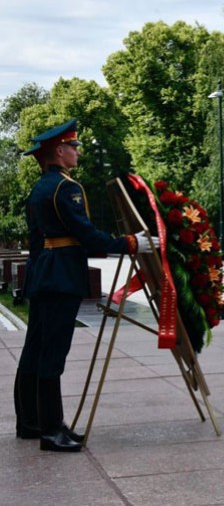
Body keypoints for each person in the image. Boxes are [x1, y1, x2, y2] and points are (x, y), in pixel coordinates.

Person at [14, 119, 157, 452]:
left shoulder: (39, 189)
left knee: (35, 350)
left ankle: (31, 422)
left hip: (44, 276)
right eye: (73, 147)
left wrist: (38, 273)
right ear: (59, 151)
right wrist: (131, 244)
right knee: (52, 354)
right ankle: (51, 431)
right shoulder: (67, 189)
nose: (77, 152)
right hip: (62, 278)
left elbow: (38, 242)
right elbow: (89, 238)